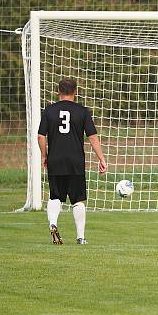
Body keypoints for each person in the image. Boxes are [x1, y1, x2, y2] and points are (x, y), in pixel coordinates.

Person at [37, 78, 107, 245]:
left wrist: (44, 156)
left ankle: (53, 223)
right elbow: (92, 137)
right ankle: (81, 237)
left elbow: (40, 136)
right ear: (75, 92)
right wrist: (101, 158)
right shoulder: (82, 111)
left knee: (55, 197)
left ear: (58, 92)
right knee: (77, 200)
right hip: (75, 161)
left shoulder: (49, 111)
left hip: (55, 159)